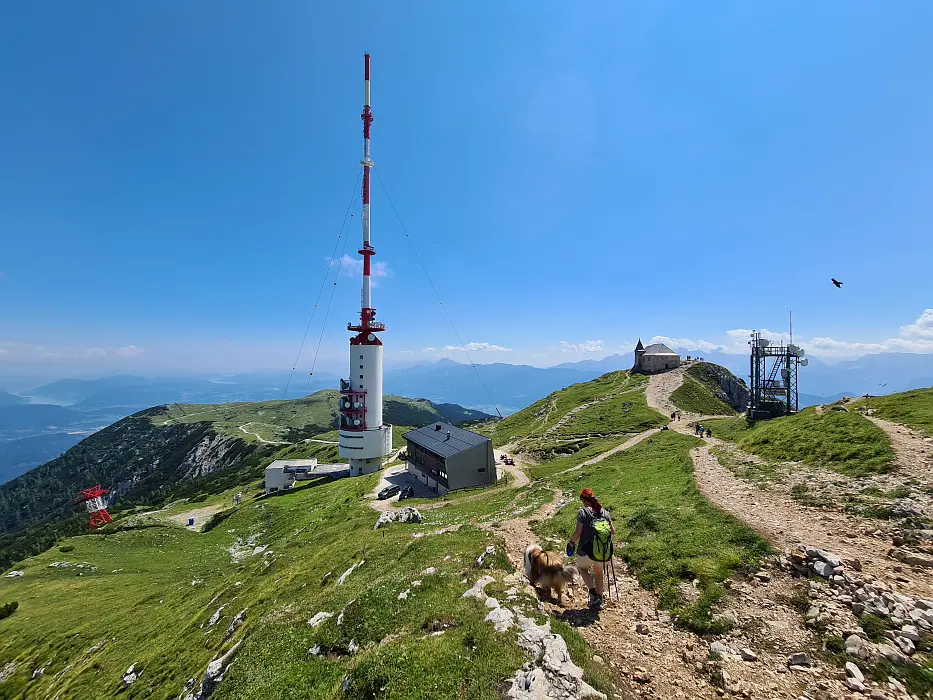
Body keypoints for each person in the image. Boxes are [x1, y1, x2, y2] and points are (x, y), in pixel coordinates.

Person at [566, 488, 614, 610]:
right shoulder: (605, 512)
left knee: (583, 568)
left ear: (583, 500)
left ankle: (593, 595)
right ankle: (600, 599)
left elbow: (577, 533)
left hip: (585, 550)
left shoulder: (583, 513)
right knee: (598, 572)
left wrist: (571, 542)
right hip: (602, 551)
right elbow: (613, 531)